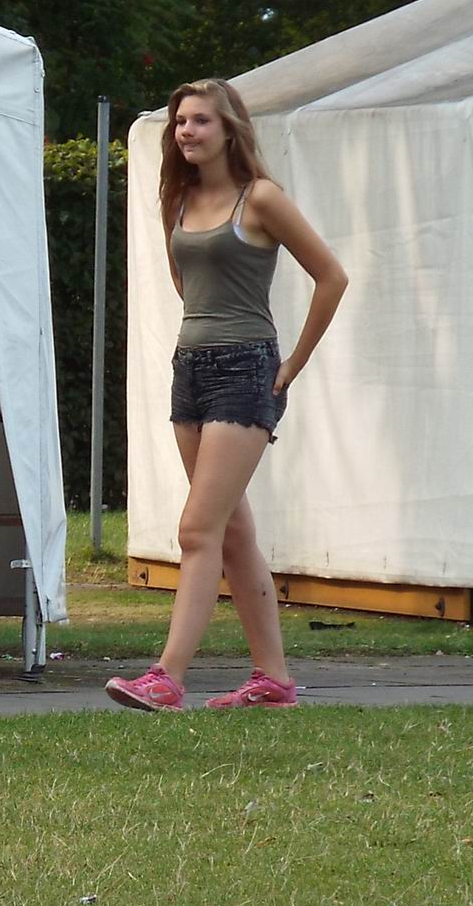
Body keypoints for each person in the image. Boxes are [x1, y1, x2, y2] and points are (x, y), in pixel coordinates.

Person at [105, 77, 347, 713]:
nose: (186, 130)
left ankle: (167, 677)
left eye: (200, 120)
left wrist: (292, 363)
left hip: (246, 370)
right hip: (190, 368)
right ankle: (274, 681)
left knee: (197, 529)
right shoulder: (178, 198)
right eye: (180, 121)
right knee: (233, 532)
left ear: (229, 129)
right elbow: (186, 283)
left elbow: (332, 276)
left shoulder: (260, 198)